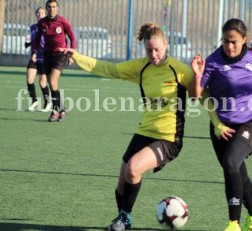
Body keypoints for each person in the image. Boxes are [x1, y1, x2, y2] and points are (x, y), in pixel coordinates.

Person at [60, 22, 206, 231]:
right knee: (122, 184)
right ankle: (123, 219)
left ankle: (125, 217)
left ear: (166, 46)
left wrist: (197, 75)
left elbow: (195, 96)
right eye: (149, 50)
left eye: (157, 49)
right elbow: (108, 69)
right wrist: (76, 56)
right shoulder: (141, 67)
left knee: (133, 168)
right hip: (144, 132)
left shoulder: (177, 69)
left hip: (168, 137)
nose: (154, 54)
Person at [191, 18, 252, 231]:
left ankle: (233, 223)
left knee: (231, 163)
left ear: (244, 40)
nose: (230, 46)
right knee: (238, 173)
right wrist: (198, 74)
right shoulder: (213, 61)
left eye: (234, 41)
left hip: (249, 124)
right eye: (226, 41)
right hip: (221, 127)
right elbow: (195, 95)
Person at [31, 0, 76, 122]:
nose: (52, 9)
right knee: (52, 84)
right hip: (47, 55)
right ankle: (61, 109)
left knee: (52, 80)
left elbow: (72, 37)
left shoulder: (63, 21)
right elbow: (37, 39)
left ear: (57, 8)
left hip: (61, 54)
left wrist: (71, 54)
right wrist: (35, 52)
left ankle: (55, 110)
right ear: (46, 8)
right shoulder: (42, 23)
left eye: (54, 7)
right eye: (49, 7)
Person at [25, 7, 52, 112]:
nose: (40, 14)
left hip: (44, 58)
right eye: (38, 12)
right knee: (29, 80)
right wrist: (29, 44)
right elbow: (35, 39)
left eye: (42, 13)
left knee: (42, 82)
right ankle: (34, 100)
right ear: (36, 15)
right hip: (34, 56)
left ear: (45, 15)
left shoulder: (48, 27)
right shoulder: (32, 27)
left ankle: (47, 102)